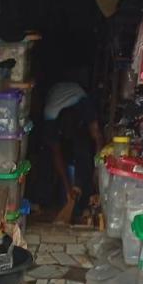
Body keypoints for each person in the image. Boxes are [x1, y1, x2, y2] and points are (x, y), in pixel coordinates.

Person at [43, 82, 104, 220]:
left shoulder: (85, 106)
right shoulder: (50, 117)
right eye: (65, 132)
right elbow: (56, 154)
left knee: (83, 149)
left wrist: (97, 167)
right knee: (50, 154)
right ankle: (48, 198)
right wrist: (67, 188)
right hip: (55, 93)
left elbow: (98, 137)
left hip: (77, 95)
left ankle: (84, 197)